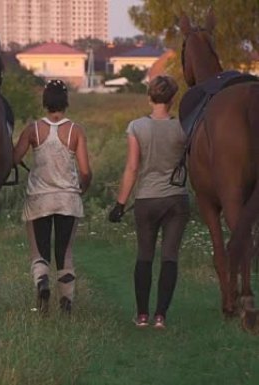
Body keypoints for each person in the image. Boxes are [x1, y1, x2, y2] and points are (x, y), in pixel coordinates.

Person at [108, 75, 190, 329]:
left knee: (144, 255)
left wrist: (120, 204)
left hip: (146, 199)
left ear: (149, 96)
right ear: (173, 99)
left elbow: (132, 167)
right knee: (169, 256)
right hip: (176, 199)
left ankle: (142, 315)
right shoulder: (183, 128)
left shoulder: (137, 127)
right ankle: (161, 316)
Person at [13, 79, 92, 314]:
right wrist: (81, 188)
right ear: (65, 102)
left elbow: (14, 159)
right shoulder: (76, 131)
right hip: (68, 198)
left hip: (39, 199)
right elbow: (86, 171)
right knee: (64, 253)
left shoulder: (33, 129)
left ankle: (42, 282)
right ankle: (66, 300)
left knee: (39, 251)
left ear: (45, 102)